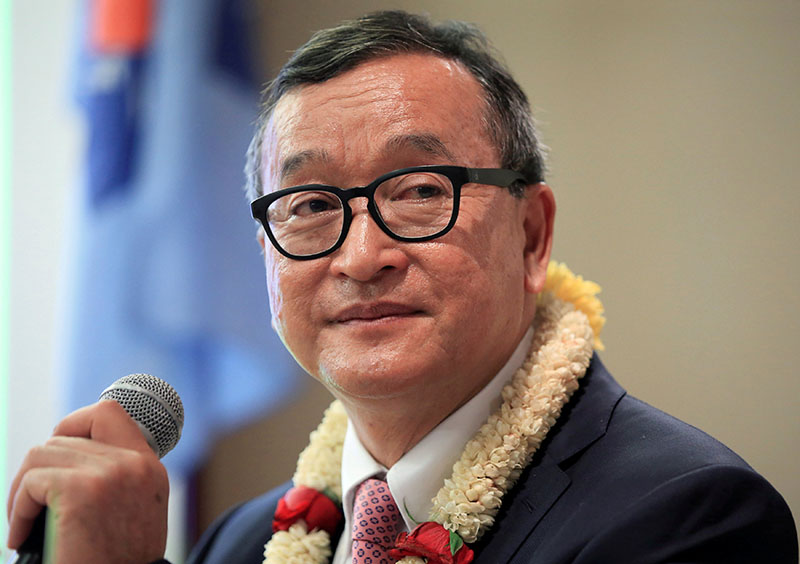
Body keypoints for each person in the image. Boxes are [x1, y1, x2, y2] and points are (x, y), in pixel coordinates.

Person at [7, 10, 797, 564]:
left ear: (531, 235)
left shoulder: (685, 518)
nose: (360, 256)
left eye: (419, 191)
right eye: (311, 206)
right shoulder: (239, 543)